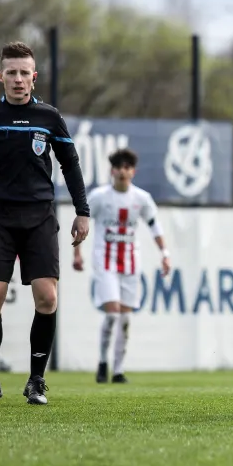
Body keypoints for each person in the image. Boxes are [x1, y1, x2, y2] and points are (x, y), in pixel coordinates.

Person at [0, 41, 90, 407]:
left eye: (24, 72)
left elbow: (70, 165)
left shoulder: (49, 117)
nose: (17, 79)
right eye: (10, 72)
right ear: (1, 76)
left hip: (40, 216)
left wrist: (82, 210)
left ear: (33, 76)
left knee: (47, 297)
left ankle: (37, 381)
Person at [74, 148, 171, 384]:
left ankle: (118, 370)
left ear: (133, 172)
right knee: (112, 315)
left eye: (127, 167)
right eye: (118, 167)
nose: (123, 172)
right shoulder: (99, 197)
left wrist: (165, 254)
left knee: (125, 320)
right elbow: (82, 222)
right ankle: (102, 362)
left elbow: (154, 226)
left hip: (129, 264)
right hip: (105, 263)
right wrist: (77, 253)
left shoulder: (141, 199)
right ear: (112, 171)